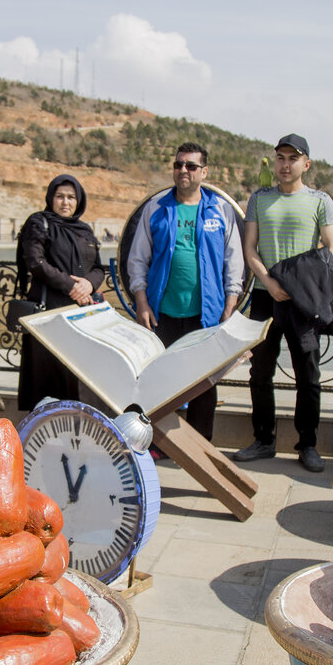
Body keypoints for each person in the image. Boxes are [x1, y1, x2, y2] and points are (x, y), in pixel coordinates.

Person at [233, 134, 333, 472]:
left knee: (308, 376)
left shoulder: (321, 201)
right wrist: (267, 281)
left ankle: (307, 444)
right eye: (280, 158)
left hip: (303, 301)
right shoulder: (259, 199)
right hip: (266, 299)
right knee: (259, 373)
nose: (285, 164)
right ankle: (263, 440)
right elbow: (250, 248)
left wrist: (296, 283)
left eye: (292, 159)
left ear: (305, 164)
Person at [125, 142, 243, 441]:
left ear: (204, 171)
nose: (183, 171)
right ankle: (160, 445)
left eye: (190, 166)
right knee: (161, 383)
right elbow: (138, 259)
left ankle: (201, 445)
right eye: (178, 165)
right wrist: (141, 303)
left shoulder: (221, 210)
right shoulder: (157, 208)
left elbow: (234, 263)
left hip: (207, 316)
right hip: (161, 313)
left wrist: (229, 307)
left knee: (204, 384)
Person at [15, 174, 105, 410]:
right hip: (49, 316)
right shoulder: (39, 223)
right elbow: (35, 261)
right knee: (48, 380)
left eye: (71, 197)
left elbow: (98, 268)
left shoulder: (84, 230)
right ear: (51, 198)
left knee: (78, 378)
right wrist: (71, 286)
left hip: (81, 316)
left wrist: (88, 284)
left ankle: (75, 434)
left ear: (79, 201)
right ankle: (40, 435)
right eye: (60, 196)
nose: (65, 202)